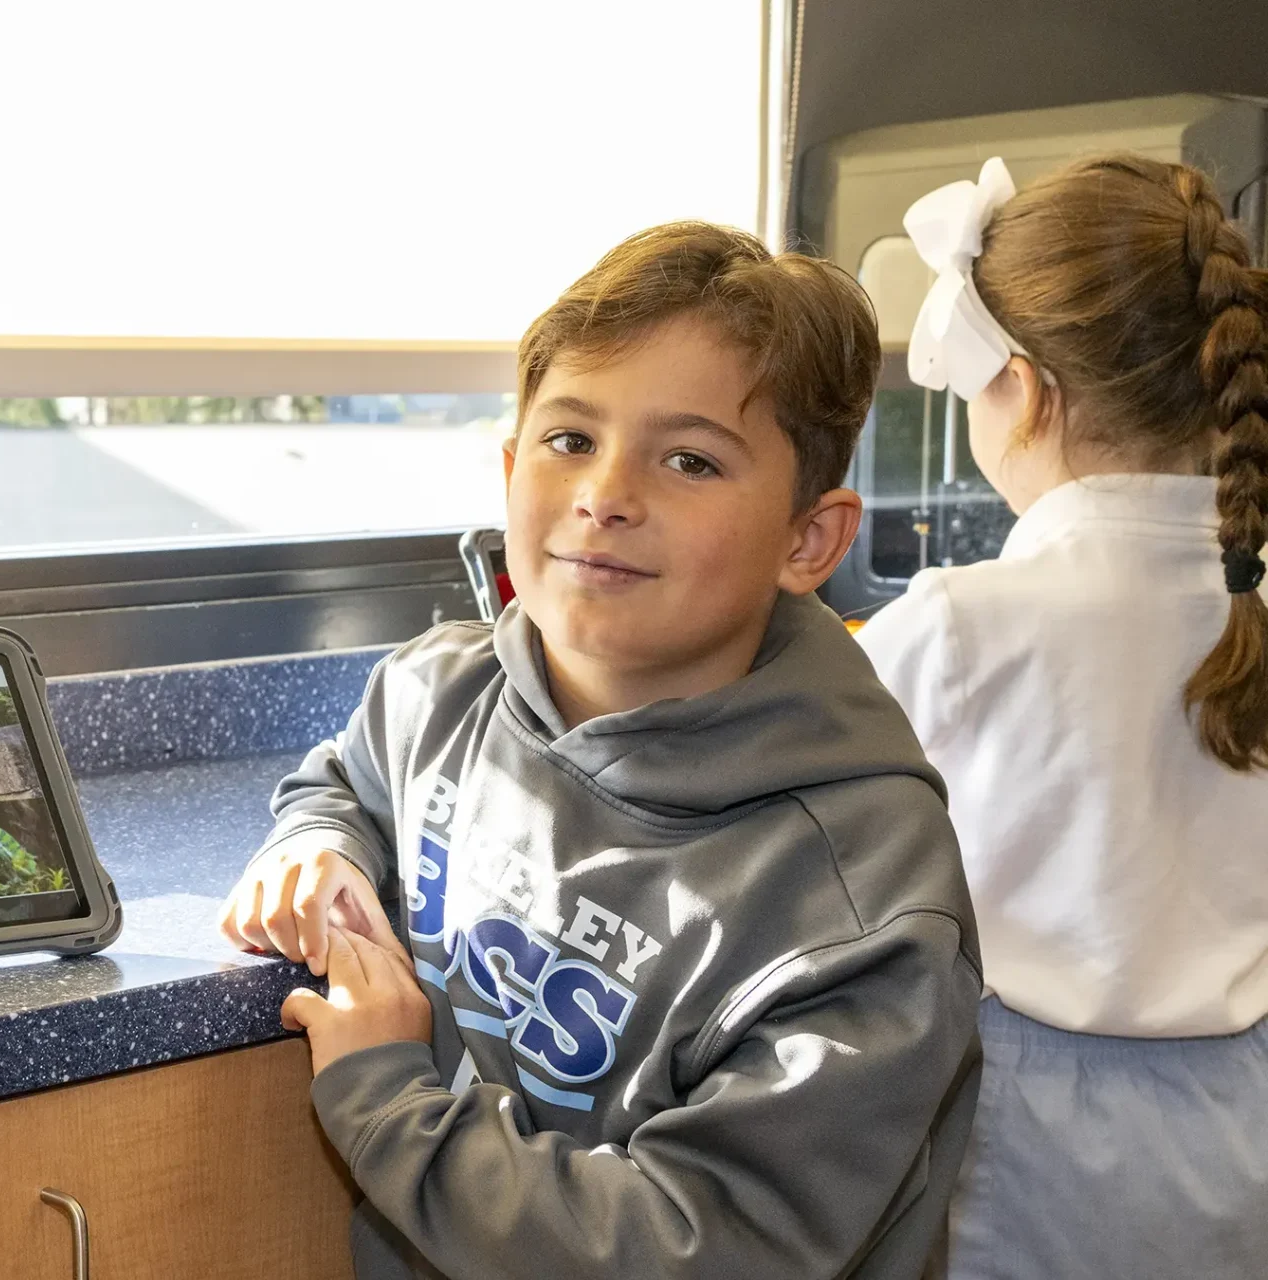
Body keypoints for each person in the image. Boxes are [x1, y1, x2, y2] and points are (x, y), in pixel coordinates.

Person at [220, 222, 982, 1278]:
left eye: (689, 458)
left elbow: (690, 1247)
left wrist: (388, 1096)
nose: (605, 494)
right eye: (570, 438)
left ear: (808, 538)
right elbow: (344, 778)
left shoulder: (860, 904)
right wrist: (317, 846)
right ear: (508, 468)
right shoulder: (438, 691)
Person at [854, 153, 1268, 1279]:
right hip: (1241, 1132)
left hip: (1033, 1135)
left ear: (1024, 389)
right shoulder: (1250, 611)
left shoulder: (956, 625)